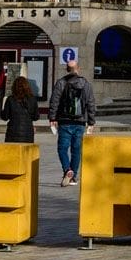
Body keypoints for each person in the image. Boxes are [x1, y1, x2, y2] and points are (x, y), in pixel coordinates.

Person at [47, 59, 96, 187]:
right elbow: (90, 103)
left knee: (62, 148)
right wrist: (91, 122)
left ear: (67, 70)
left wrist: (52, 118)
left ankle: (67, 169)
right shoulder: (86, 84)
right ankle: (73, 177)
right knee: (76, 150)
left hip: (64, 121)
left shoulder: (61, 83)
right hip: (80, 122)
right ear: (78, 69)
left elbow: (54, 101)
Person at [1, 76, 39, 143]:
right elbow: (36, 117)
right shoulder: (32, 99)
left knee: (12, 152)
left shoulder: (10, 99)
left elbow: (5, 117)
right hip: (28, 132)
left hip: (12, 132)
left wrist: (2, 110)